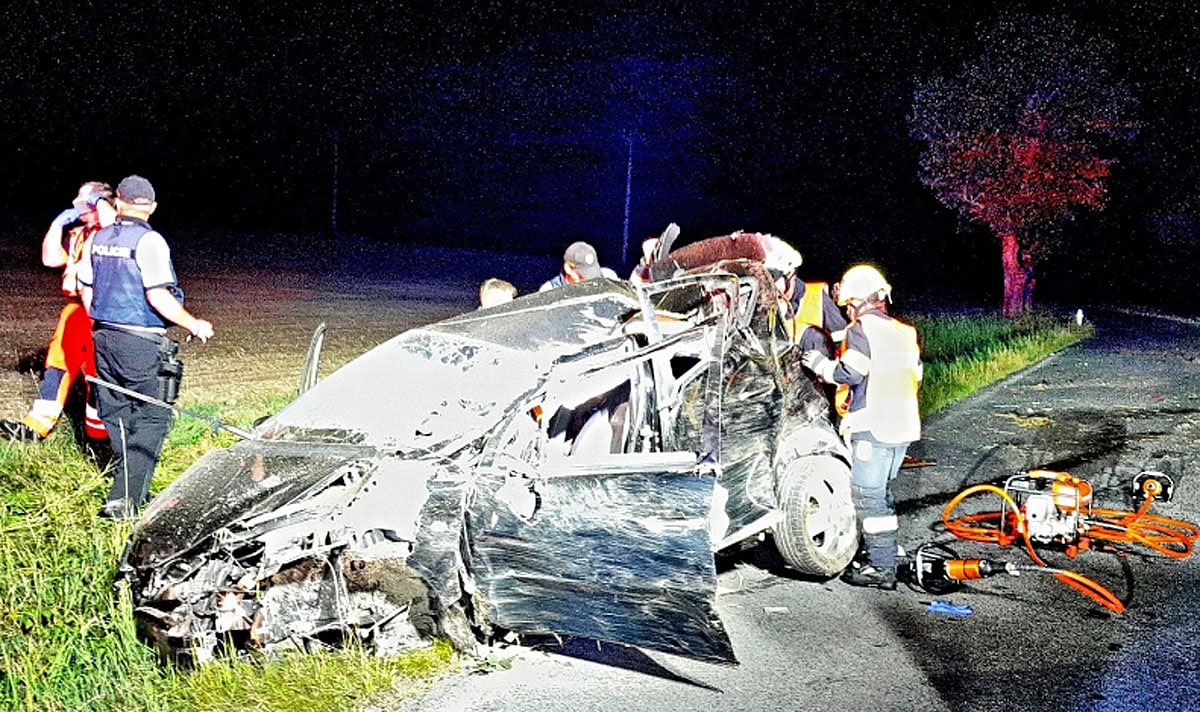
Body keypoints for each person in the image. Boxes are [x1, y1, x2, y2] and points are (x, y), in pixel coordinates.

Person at [78, 175, 214, 519]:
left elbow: (86, 288)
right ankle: (123, 502)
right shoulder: (150, 241)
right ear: (151, 207)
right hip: (139, 342)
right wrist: (193, 323)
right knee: (154, 416)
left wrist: (101, 319)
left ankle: (129, 484)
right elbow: (157, 295)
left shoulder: (97, 239)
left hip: (103, 337)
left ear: (118, 201)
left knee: (117, 413)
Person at [800, 264, 922, 590]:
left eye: (849, 306)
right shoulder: (904, 332)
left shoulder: (861, 329)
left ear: (856, 302)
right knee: (880, 493)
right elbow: (916, 376)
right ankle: (886, 551)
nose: (848, 311)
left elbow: (851, 372)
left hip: (874, 425)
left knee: (867, 496)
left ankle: (880, 568)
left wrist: (821, 366)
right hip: (904, 426)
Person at [2, 181, 116, 445]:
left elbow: (111, 226)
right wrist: (57, 224)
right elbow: (50, 259)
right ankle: (35, 428)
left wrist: (99, 203)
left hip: (105, 312)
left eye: (84, 200)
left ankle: (99, 437)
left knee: (100, 373)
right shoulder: (78, 234)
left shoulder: (114, 232)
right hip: (76, 310)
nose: (78, 204)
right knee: (57, 365)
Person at [538, 241, 618, 292]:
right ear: (568, 268)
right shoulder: (549, 291)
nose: (589, 281)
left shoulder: (609, 277)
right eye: (582, 276)